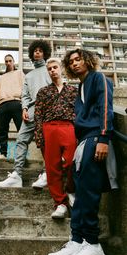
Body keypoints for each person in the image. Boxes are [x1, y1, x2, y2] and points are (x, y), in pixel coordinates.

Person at [47, 48, 116, 255]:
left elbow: (106, 107)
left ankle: (94, 245)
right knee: (77, 192)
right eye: (72, 61)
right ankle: (77, 240)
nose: (75, 64)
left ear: (87, 60)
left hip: (96, 138)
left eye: (79, 59)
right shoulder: (81, 86)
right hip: (83, 141)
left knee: (89, 192)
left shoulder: (99, 79)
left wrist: (104, 138)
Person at [0, 40, 51, 188]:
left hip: (47, 110)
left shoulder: (50, 69)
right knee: (21, 139)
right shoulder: (29, 76)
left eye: (40, 50)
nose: (37, 52)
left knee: (46, 142)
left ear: (45, 53)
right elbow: (25, 95)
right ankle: (17, 175)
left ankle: (47, 173)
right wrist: (25, 109)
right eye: (35, 51)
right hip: (31, 112)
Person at [34, 58, 77, 218]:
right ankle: (60, 203)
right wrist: (39, 137)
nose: (52, 70)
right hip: (49, 128)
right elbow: (38, 115)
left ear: (61, 69)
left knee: (72, 161)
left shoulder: (73, 90)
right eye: (49, 69)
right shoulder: (43, 91)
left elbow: (79, 112)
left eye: (55, 67)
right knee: (52, 168)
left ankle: (71, 190)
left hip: (68, 127)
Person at [0, 54, 24, 159]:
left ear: (13, 62)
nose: (8, 63)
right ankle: (3, 153)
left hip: (16, 102)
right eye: (6, 61)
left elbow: (25, 87)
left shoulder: (19, 73)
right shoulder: (2, 77)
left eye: (10, 61)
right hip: (3, 104)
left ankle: (22, 154)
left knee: (21, 130)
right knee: (2, 131)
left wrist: (24, 103)